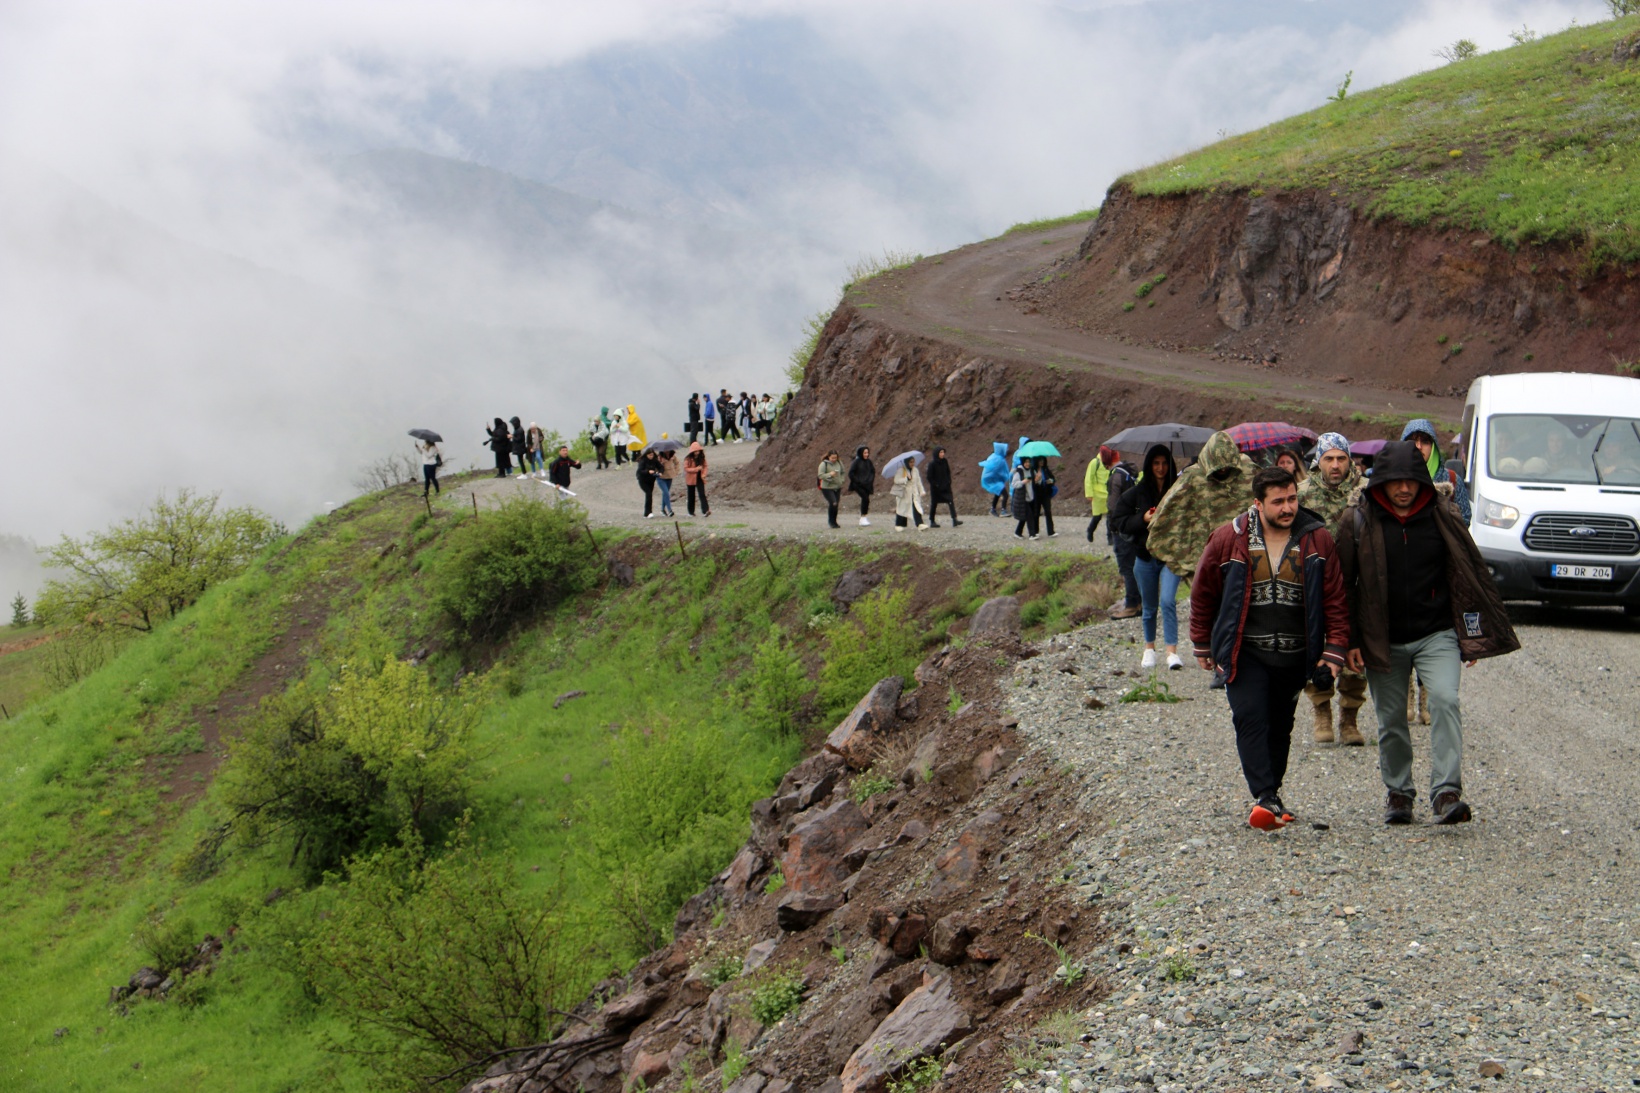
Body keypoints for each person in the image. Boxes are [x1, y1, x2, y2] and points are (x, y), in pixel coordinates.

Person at [1336, 440, 1520, 825]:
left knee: (1444, 701)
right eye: (1395, 481)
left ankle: (1446, 793)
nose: (1404, 489)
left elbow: (1467, 576)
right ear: (1380, 482)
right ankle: (1399, 794)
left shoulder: (1444, 515)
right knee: (1390, 719)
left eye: (1412, 481)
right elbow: (1343, 584)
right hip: (1380, 637)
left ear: (1422, 480)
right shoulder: (1356, 520)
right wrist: (1349, 639)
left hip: (1437, 633)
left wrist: (1473, 634)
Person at [1191, 467, 1350, 830]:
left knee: (1280, 726)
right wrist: (1202, 643)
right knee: (1250, 717)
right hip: (1245, 653)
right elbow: (1203, 593)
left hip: (1295, 654)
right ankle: (1263, 796)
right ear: (1257, 504)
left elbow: (1336, 601)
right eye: (1278, 501)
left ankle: (1271, 796)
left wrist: (1334, 651)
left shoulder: (1318, 540)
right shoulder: (1228, 539)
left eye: (1292, 499)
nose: (1287, 507)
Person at [1296, 432, 1368, 746]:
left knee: (1356, 650)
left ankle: (1349, 718)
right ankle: (1321, 709)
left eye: (1341, 458)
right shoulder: (1301, 494)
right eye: (1329, 458)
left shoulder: (1364, 492)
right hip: (1315, 585)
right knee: (1317, 647)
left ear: (1349, 460)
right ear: (1319, 461)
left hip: (1357, 584)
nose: (1336, 465)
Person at [1146, 430, 1260, 580]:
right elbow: (1167, 512)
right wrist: (1182, 559)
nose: (1223, 470)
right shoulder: (1193, 477)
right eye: (1219, 468)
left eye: (1227, 467)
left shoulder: (1250, 471)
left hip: (1245, 555)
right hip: (1205, 557)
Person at [1112, 443, 1183, 669]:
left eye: (1164, 463)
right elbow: (1118, 520)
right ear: (1149, 465)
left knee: (1168, 601)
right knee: (1150, 606)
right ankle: (1149, 648)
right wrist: (1142, 520)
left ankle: (1171, 651)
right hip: (1144, 556)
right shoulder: (1137, 492)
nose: (1160, 468)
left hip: (1170, 557)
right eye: (1156, 463)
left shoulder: (1179, 491)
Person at [1401, 418, 1471, 523]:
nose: (1419, 446)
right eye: (1413, 440)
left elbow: (1464, 519)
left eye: (1425, 441)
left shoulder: (1451, 480)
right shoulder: (1393, 479)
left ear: (1433, 446)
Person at [1105, 454, 1143, 619]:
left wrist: (1112, 525)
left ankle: (1132, 605)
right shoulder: (1129, 473)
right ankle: (1140, 601)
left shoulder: (1116, 476)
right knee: (1134, 565)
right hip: (1131, 524)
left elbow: (1113, 505)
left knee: (1126, 567)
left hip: (1122, 528)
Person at [1084, 446, 1116, 541]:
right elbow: (1088, 478)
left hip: (1108, 493)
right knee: (1097, 517)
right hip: (1097, 495)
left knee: (1110, 516)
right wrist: (1089, 494)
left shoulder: (1110, 463)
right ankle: (1090, 530)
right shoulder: (1095, 462)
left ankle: (1110, 536)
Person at [892, 454, 928, 531]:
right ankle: (899, 524)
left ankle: (920, 524)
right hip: (904, 494)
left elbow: (918, 481)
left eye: (913, 462)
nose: (912, 464)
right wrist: (906, 479)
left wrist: (921, 490)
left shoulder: (915, 470)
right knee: (902, 508)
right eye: (911, 462)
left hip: (913, 493)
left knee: (916, 507)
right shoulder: (901, 470)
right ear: (907, 462)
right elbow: (896, 481)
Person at [927, 448, 961, 527]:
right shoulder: (932, 464)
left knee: (950, 501)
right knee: (934, 504)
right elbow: (929, 477)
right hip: (936, 489)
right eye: (941, 452)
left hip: (946, 487)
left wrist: (949, 481)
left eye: (943, 452)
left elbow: (948, 472)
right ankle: (932, 521)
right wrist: (936, 484)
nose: (942, 454)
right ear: (937, 453)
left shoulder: (945, 461)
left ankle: (954, 519)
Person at [1008, 458, 1038, 539]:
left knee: (1024, 517)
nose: (1027, 464)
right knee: (1030, 516)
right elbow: (1014, 484)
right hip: (1022, 498)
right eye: (1026, 462)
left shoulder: (1032, 471)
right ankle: (1032, 534)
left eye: (1029, 462)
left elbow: (1036, 482)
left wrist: (1038, 479)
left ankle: (1017, 532)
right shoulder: (1018, 472)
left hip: (1031, 497)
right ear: (1023, 462)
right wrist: (1023, 482)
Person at [979, 441, 1011, 516]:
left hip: (992, 480)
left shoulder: (993, 456)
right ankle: (1003, 511)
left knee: (998, 493)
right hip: (995, 480)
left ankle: (992, 509)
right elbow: (999, 470)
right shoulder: (999, 459)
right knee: (1005, 495)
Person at [848, 446, 876, 526]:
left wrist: (870, 480)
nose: (866, 454)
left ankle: (864, 517)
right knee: (865, 498)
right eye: (865, 453)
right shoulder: (856, 462)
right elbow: (851, 473)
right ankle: (863, 517)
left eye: (867, 453)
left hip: (867, 485)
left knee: (866, 500)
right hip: (858, 485)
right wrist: (858, 481)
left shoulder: (869, 462)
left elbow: (872, 472)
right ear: (860, 453)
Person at [817, 450, 845, 528]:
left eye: (835, 458)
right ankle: (831, 521)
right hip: (827, 487)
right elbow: (820, 475)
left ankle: (834, 521)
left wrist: (841, 480)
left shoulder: (839, 463)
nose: (834, 459)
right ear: (829, 457)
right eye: (832, 458)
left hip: (837, 487)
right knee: (833, 503)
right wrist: (830, 474)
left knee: (836, 505)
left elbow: (843, 472)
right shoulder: (823, 464)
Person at [684, 441, 711, 516]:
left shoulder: (701, 458)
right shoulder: (688, 459)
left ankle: (705, 510)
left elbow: (705, 466)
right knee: (691, 496)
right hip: (690, 479)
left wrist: (704, 474)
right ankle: (691, 511)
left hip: (699, 478)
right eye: (695, 451)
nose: (697, 452)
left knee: (702, 494)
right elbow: (686, 469)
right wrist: (696, 469)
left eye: (698, 450)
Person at [1033, 456, 1058, 537]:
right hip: (1036, 493)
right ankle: (1035, 531)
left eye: (1043, 460)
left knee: (1048, 511)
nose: (1042, 462)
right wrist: (1036, 480)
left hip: (1046, 493)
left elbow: (1053, 479)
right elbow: (1031, 482)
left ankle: (1051, 531)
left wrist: (1050, 481)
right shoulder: (1033, 470)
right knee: (1036, 512)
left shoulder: (1046, 469)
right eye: (1040, 460)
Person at [636, 449, 660, 517]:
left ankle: (650, 511)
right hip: (642, 480)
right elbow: (640, 471)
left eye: (652, 455)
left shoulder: (655, 460)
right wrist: (648, 471)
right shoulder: (643, 461)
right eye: (649, 455)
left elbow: (660, 467)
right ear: (646, 455)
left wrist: (660, 472)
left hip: (651, 480)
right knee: (648, 493)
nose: (651, 456)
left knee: (650, 495)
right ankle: (647, 512)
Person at [656, 446, 678, 517]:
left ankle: (662, 509)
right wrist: (660, 464)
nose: (667, 451)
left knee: (665, 494)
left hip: (669, 477)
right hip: (661, 477)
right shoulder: (659, 457)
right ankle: (669, 510)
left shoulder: (673, 456)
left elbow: (677, 463)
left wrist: (676, 471)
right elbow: (655, 466)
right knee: (666, 493)